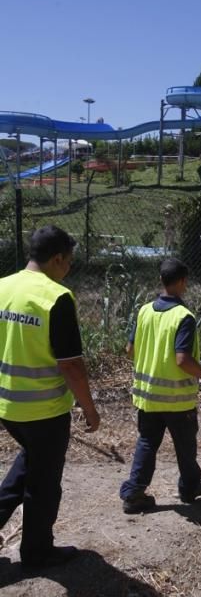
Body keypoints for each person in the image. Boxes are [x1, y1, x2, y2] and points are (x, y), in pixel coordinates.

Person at [0, 225, 100, 570]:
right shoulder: (55, 297)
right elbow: (71, 365)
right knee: (43, 486)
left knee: (28, 466)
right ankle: (37, 552)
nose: (69, 268)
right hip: (43, 410)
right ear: (57, 259)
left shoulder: (3, 287)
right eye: (69, 262)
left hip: (7, 407)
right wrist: (90, 409)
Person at [120, 258, 201, 514]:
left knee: (147, 443)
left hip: (147, 397)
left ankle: (134, 492)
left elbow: (130, 349)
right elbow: (182, 359)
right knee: (185, 446)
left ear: (161, 280)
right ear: (182, 282)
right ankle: (189, 489)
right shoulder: (183, 316)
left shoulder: (144, 310)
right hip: (177, 400)